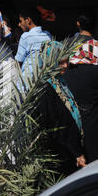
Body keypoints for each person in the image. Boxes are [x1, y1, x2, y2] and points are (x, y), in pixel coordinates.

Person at [32, 41, 86, 176]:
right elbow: (55, 125)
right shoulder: (44, 88)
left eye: (67, 61)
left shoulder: (59, 82)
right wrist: (75, 152)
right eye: (60, 62)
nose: (65, 66)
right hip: (59, 155)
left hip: (69, 150)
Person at [15, 7, 52, 80]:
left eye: (21, 21)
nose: (19, 24)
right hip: (44, 79)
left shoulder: (25, 36)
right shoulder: (48, 35)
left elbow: (19, 62)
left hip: (28, 80)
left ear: (28, 20)